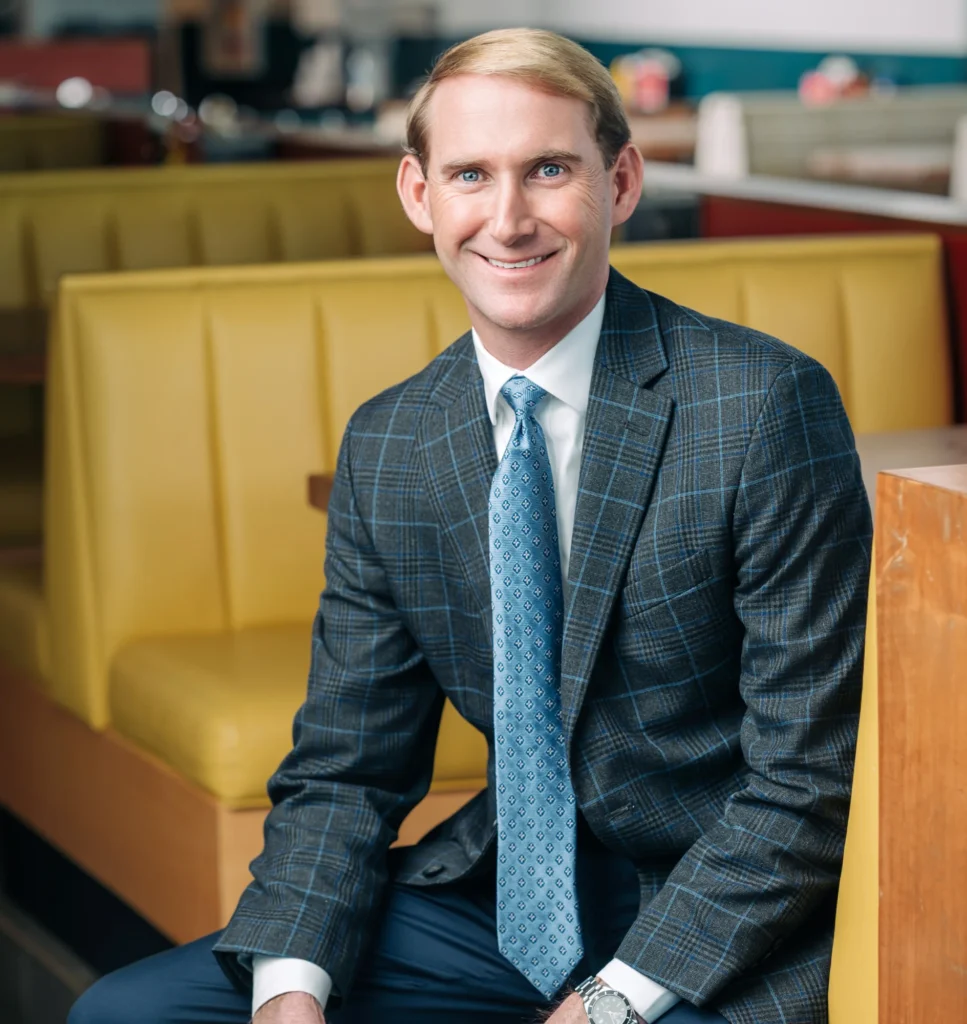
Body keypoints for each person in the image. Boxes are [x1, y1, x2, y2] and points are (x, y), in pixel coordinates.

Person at [69, 28, 872, 1024]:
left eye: (548, 170)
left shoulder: (762, 406)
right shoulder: (391, 442)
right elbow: (347, 768)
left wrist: (608, 1003)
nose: (507, 219)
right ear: (419, 195)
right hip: (506, 902)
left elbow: (807, 779)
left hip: (722, 911)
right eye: (469, 175)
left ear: (620, 182)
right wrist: (288, 993)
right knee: (128, 1013)